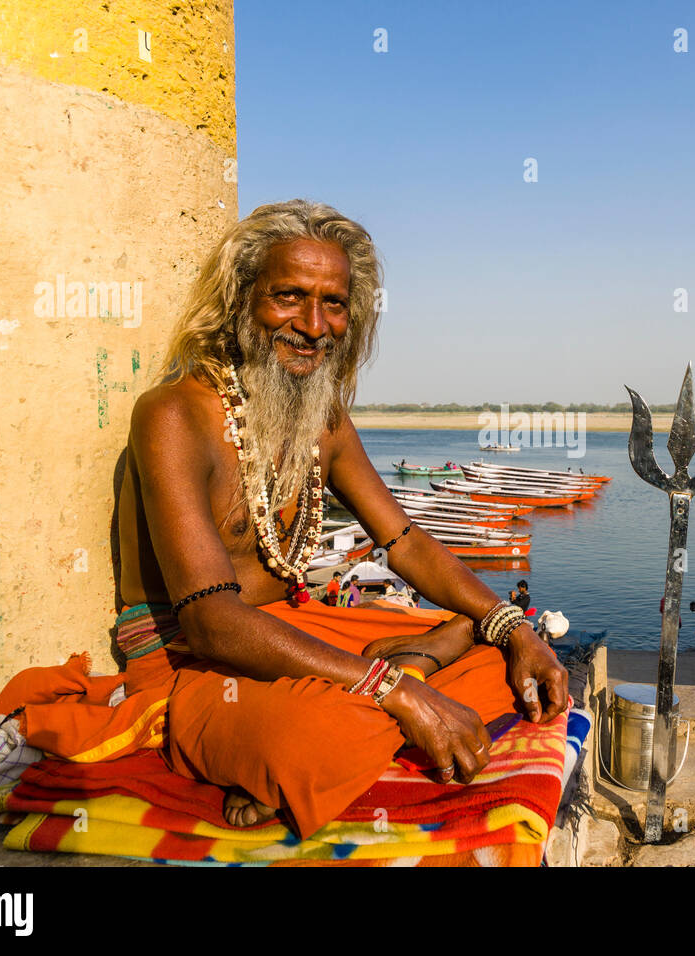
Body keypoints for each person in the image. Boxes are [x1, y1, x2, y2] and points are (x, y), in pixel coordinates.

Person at [105, 200, 567, 836]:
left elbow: (405, 543)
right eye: (288, 297)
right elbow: (212, 623)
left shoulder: (324, 420)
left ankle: (404, 679)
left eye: (334, 304)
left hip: (298, 636)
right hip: (197, 662)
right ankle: (401, 680)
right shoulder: (172, 416)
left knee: (501, 663)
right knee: (312, 737)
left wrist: (518, 632)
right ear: (241, 300)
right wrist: (396, 690)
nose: (314, 325)